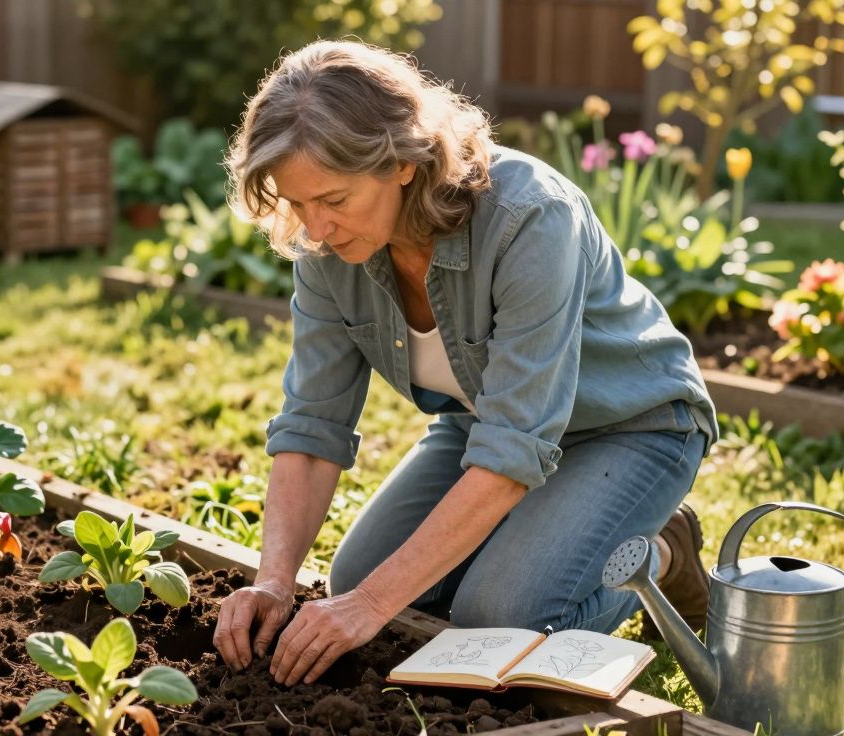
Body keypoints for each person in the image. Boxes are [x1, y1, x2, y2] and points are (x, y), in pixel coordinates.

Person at [211, 39, 717, 688]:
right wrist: (274, 583)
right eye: (297, 203)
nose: (315, 227)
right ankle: (553, 534)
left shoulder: (530, 217)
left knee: (499, 615)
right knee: (358, 578)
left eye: (333, 200)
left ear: (400, 161)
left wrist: (367, 610)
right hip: (485, 428)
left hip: (631, 426)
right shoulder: (325, 249)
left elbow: (514, 448)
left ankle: (660, 556)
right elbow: (312, 427)